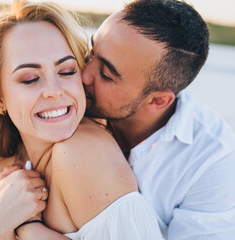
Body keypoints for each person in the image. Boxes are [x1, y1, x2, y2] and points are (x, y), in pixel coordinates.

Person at [0, 1, 164, 239]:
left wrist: (25, 228)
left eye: (66, 71)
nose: (54, 91)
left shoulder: (83, 152)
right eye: (30, 78)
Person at [82, 0, 235, 239]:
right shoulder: (65, 98)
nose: (82, 74)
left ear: (157, 101)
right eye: (91, 52)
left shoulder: (213, 160)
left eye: (106, 74)